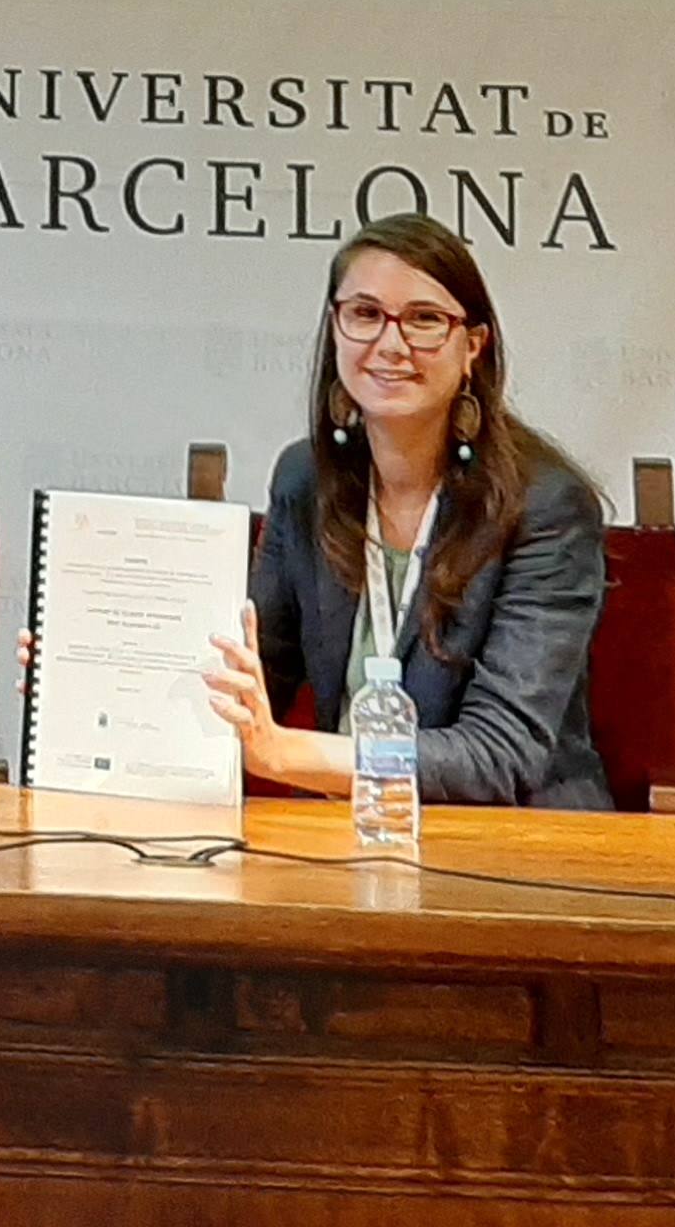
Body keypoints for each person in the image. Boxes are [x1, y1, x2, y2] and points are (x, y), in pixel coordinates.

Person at [204, 215, 613, 807]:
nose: (391, 344)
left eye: (424, 320)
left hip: (507, 835)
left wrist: (289, 755)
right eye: (365, 314)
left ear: (473, 346)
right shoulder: (307, 479)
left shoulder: (546, 506)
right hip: (348, 826)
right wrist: (100, 690)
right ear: (336, 329)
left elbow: (498, 758)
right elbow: (253, 670)